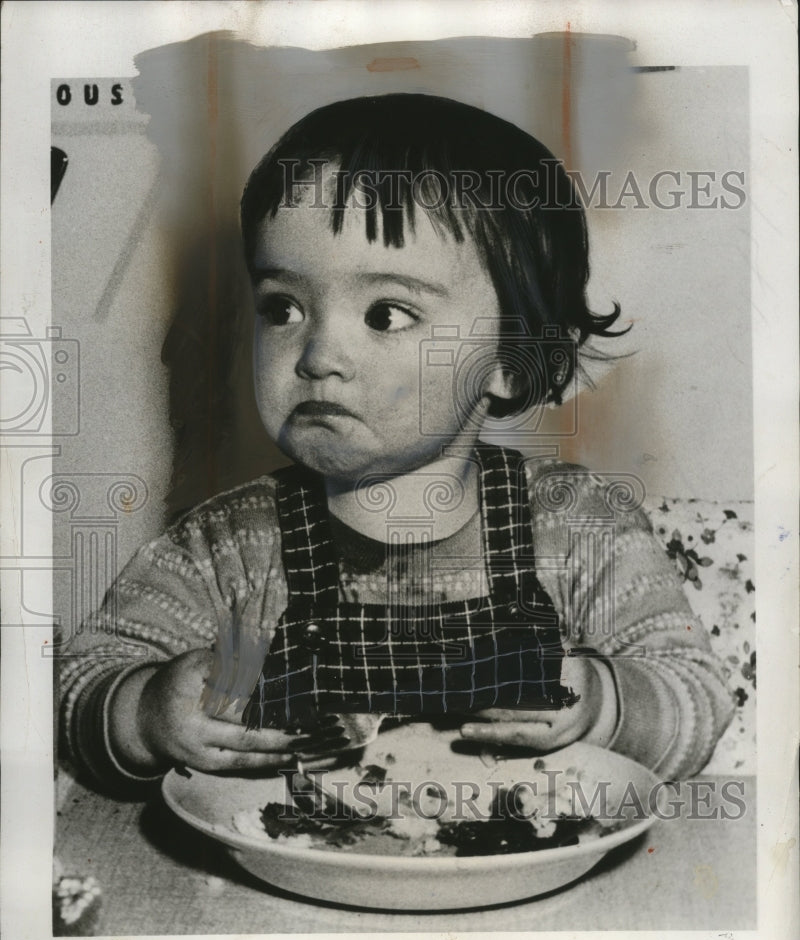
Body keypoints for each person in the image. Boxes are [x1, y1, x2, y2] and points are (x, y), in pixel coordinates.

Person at [58, 94, 734, 793]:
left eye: (386, 313)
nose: (318, 353)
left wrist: (603, 702)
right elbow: (78, 690)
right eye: (281, 307)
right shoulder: (223, 548)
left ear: (512, 359)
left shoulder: (580, 527)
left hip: (524, 884)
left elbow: (697, 700)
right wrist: (143, 713)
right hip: (287, 881)